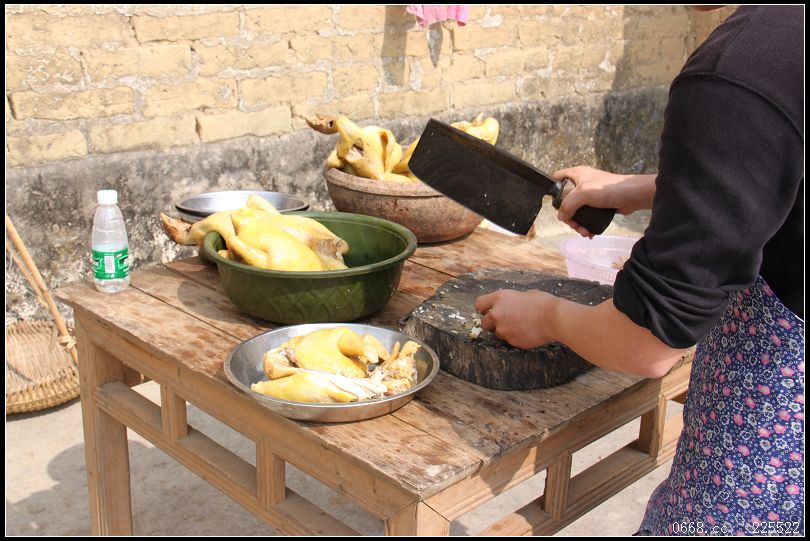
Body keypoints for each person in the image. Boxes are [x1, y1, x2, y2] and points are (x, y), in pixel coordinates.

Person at [475, 5, 803, 536]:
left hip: (772, 460)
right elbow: (778, 165)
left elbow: (649, 343)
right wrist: (644, 187)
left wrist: (547, 317)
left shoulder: (737, 74)